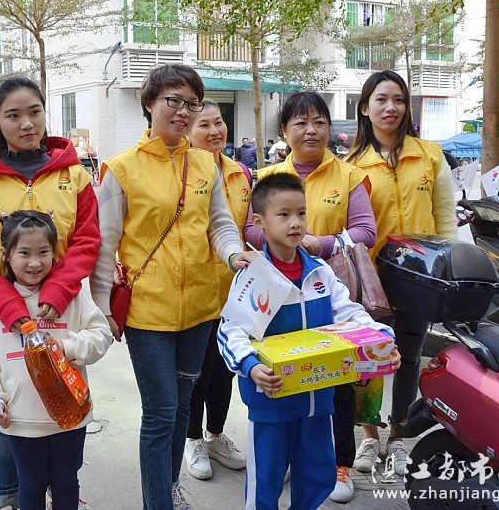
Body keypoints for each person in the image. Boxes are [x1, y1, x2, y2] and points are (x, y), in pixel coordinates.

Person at [89, 64, 254, 510]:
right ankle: (158, 501)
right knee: (161, 414)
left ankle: (167, 490)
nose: (183, 112)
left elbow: (220, 223)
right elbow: (105, 244)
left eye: (191, 103)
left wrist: (233, 254)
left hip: (200, 308)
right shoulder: (122, 169)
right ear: (149, 104)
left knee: (182, 408)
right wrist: (102, 307)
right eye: (173, 101)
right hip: (148, 312)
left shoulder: (203, 164)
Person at [0, 74, 100, 510]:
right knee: (6, 413)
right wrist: (8, 306)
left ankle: (62, 492)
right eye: (13, 115)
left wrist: (56, 292)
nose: (26, 123)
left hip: (60, 311)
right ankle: (8, 498)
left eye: (34, 111)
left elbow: (86, 241)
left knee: (58, 401)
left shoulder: (74, 175)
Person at [218, 172, 400, 510]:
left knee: (317, 475)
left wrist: (382, 340)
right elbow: (230, 330)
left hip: (318, 400)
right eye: (283, 214)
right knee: (266, 481)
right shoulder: (253, 277)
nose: (295, 223)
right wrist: (251, 366)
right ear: (259, 222)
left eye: (301, 213)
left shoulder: (320, 271)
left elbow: (350, 313)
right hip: (271, 402)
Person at [243, 91, 377, 503]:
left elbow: (366, 231)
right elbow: (250, 229)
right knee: (283, 370)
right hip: (277, 281)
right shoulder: (267, 176)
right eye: (300, 123)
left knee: (335, 383)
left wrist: (321, 244)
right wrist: (282, 242)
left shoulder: (349, 175)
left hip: (326, 280)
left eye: (319, 121)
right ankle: (286, 458)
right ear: (284, 130)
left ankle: (338, 462)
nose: (311, 130)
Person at [346, 70, 457, 477]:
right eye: (381, 99)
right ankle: (369, 436)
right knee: (369, 359)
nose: (390, 107)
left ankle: (398, 436)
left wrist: (447, 269)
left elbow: (445, 217)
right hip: (372, 278)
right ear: (365, 108)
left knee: (409, 358)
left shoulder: (431, 155)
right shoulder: (352, 166)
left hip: (420, 279)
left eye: (398, 99)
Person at [0, 210, 112, 510]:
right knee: (31, 486)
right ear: (6, 255)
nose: (34, 262)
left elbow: (101, 335)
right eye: (25, 253)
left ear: (54, 253)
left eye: (43, 252)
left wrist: (65, 347)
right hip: (21, 420)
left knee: (66, 483)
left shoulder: (73, 298)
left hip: (70, 418)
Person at [183, 100, 250, 481]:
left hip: (235, 292)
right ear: (188, 133)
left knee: (227, 369)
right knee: (199, 372)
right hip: (196, 289)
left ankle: (215, 434)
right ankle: (192, 438)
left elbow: (246, 226)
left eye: (219, 122)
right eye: (204, 125)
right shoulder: (185, 172)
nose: (215, 131)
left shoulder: (240, 172)